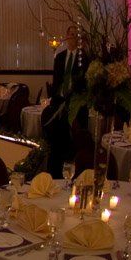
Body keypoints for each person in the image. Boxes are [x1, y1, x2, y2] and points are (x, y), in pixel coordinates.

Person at [44, 26, 86, 176]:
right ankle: (54, 170)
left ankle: (70, 171)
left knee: (71, 142)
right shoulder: (60, 57)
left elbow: (84, 85)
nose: (71, 38)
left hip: (75, 105)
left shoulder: (83, 58)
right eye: (69, 34)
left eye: (74, 35)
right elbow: (56, 81)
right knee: (56, 140)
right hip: (59, 103)